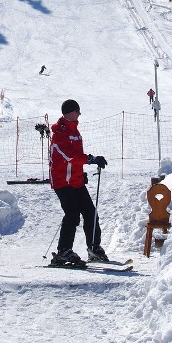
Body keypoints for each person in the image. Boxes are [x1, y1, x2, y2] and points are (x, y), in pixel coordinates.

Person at [49, 99, 109, 266]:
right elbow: (69, 156)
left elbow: (75, 158)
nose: (79, 114)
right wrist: (91, 159)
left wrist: (80, 174)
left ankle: (93, 248)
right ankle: (63, 251)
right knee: (72, 214)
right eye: (77, 111)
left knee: (90, 212)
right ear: (69, 113)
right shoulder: (59, 134)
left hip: (75, 181)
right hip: (62, 181)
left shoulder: (75, 132)